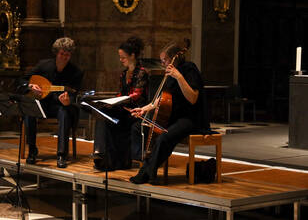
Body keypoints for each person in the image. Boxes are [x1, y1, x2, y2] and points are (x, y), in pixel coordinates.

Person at [129, 42, 210, 184]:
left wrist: (179, 77)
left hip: (190, 118)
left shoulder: (189, 69)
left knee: (163, 138)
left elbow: (193, 98)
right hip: (175, 116)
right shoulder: (171, 73)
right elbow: (163, 98)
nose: (162, 64)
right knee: (138, 127)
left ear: (174, 58)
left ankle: (148, 172)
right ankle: (146, 165)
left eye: (164, 60)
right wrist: (145, 108)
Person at [17, 37, 83, 168]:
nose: (64, 57)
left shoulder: (76, 72)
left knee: (64, 112)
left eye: (67, 54)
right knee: (30, 110)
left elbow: (76, 94)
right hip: (42, 103)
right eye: (62, 54)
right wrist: (31, 86)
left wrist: (68, 100)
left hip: (60, 106)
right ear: (56, 52)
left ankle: (62, 154)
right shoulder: (43, 65)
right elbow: (22, 80)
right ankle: (32, 150)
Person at [92, 36, 149, 171]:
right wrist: (111, 102)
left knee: (109, 116)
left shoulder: (142, 73)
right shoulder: (124, 74)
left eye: (123, 57)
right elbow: (120, 93)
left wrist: (119, 101)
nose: (121, 60)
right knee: (102, 113)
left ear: (132, 56)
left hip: (136, 111)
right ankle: (102, 154)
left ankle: (106, 155)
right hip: (124, 109)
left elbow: (136, 95)